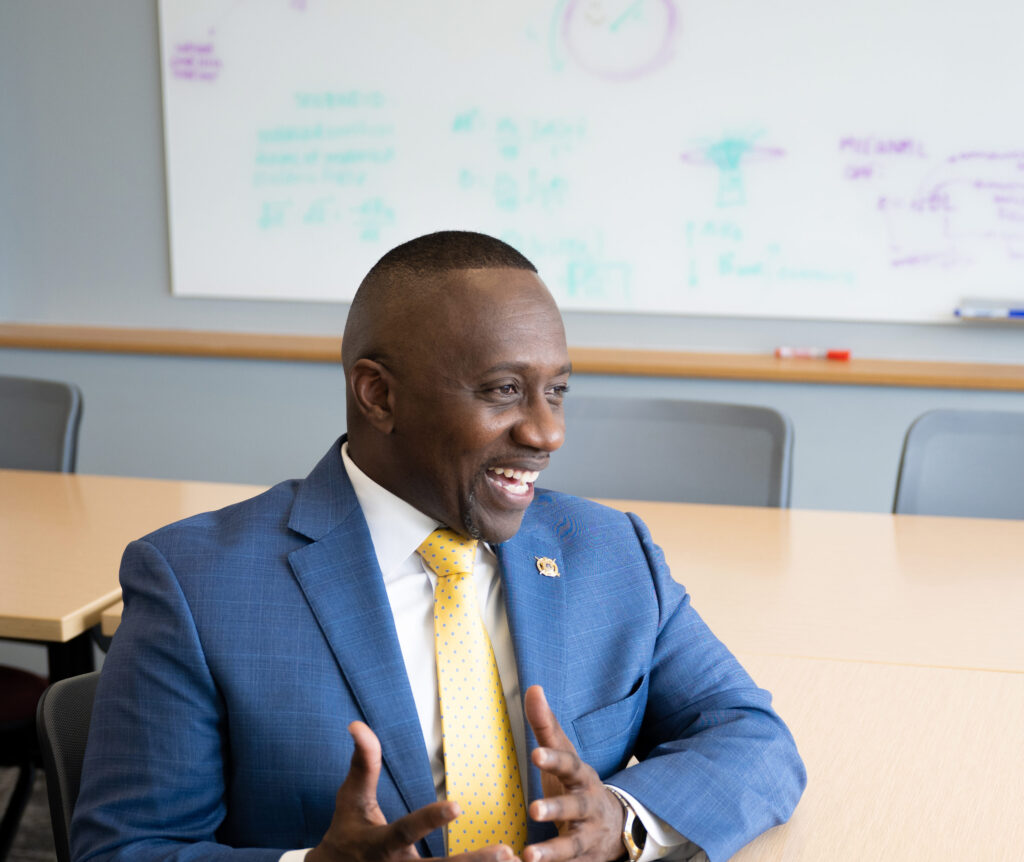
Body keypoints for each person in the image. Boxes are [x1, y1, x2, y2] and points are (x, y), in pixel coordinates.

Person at [73, 232, 805, 862]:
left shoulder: (609, 550)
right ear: (379, 396)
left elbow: (753, 738)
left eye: (557, 392)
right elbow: (124, 849)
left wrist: (620, 819)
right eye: (503, 391)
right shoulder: (197, 583)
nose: (546, 434)